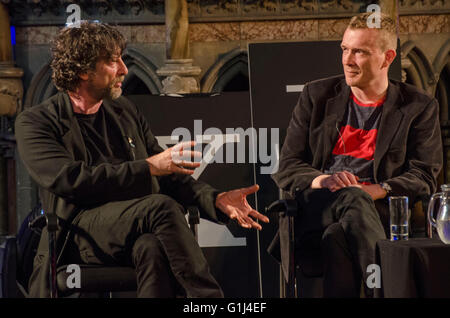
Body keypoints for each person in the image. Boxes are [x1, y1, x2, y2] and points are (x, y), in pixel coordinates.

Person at [15, 21, 269, 298]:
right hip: (77, 231)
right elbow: (72, 180)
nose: (124, 69)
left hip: (133, 224)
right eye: (113, 61)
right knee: (159, 206)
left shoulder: (124, 111)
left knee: (151, 246)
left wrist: (215, 199)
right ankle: (209, 300)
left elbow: (168, 173)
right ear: (83, 70)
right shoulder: (36, 121)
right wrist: (147, 167)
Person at [271, 12, 442, 297]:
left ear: (387, 58)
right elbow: (287, 167)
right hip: (317, 211)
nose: (348, 60)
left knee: (337, 237)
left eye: (359, 52)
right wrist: (324, 181)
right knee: (349, 198)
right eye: (345, 49)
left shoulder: (417, 106)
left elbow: (424, 175)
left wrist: (376, 190)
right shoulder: (317, 95)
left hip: (379, 215)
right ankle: (387, 291)